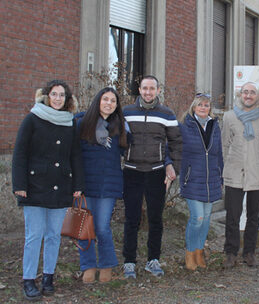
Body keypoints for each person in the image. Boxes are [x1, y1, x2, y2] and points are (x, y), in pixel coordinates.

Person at [12, 80, 84, 301]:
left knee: (53, 236)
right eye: (54, 94)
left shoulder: (70, 123)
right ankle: (29, 279)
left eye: (62, 95)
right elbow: (20, 153)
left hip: (60, 187)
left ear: (67, 99)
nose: (58, 98)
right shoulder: (32, 119)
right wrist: (20, 185)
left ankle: (48, 277)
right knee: (34, 236)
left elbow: (75, 156)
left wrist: (78, 185)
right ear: (46, 96)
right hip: (34, 187)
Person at [122, 75, 182, 278]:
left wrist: (173, 166)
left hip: (157, 172)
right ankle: (129, 261)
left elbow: (176, 143)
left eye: (152, 88)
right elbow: (116, 137)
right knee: (132, 219)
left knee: (156, 218)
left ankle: (153, 260)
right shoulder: (126, 112)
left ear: (158, 90)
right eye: (145, 88)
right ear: (139, 90)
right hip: (132, 171)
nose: (148, 92)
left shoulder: (167, 114)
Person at [76, 87, 128, 283]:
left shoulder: (119, 128)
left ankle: (106, 265)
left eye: (113, 101)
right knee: (85, 227)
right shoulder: (82, 124)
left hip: (109, 183)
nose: (109, 103)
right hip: (86, 183)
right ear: (98, 101)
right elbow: (74, 154)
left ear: (116, 106)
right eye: (105, 99)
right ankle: (88, 266)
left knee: (102, 227)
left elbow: (127, 152)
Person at [222, 82, 259, 268]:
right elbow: (225, 144)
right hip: (235, 173)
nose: (248, 95)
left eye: (252, 92)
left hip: (258, 173)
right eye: (245, 92)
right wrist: (226, 167)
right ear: (240, 95)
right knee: (232, 215)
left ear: (258, 96)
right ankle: (230, 252)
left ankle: (249, 252)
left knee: (254, 216)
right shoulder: (229, 117)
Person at [179, 93, 223, 270]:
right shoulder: (185, 126)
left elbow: (218, 153)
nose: (203, 108)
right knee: (197, 218)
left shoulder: (214, 126)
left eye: (206, 105)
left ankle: (199, 252)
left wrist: (220, 175)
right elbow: (175, 150)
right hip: (193, 178)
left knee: (205, 220)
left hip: (211, 178)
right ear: (194, 107)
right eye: (200, 105)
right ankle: (190, 253)